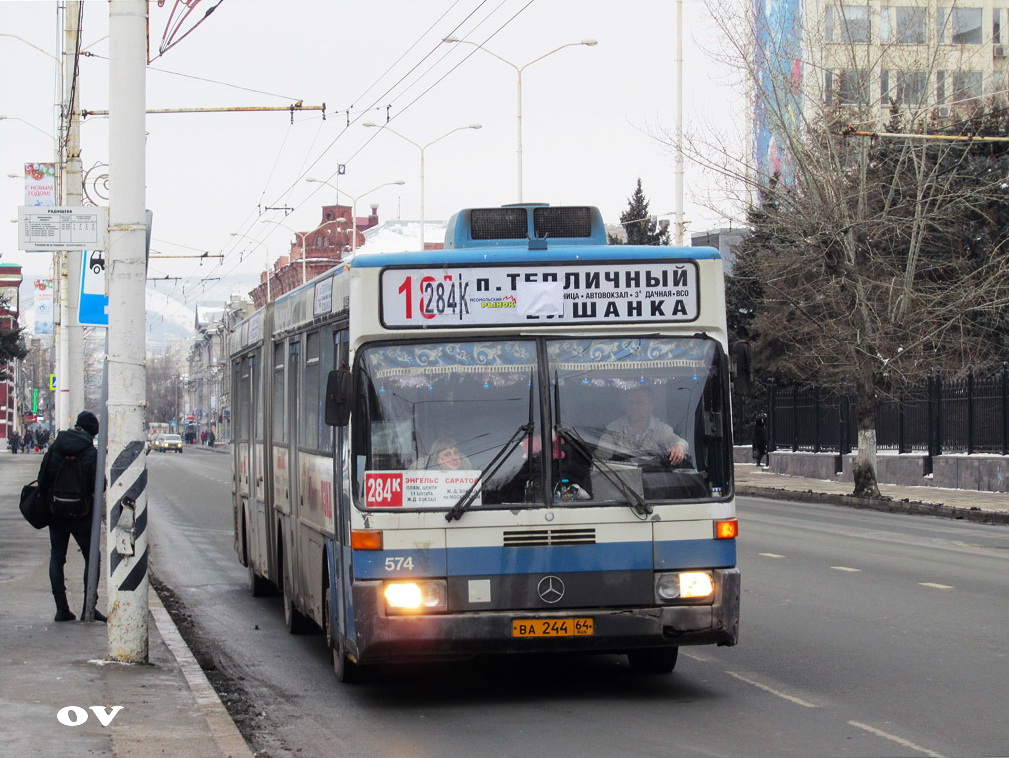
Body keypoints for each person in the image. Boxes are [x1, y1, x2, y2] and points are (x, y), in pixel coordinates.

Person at [37, 411, 105, 623]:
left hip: (56, 512)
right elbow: (100, 484)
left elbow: (42, 478)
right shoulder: (92, 453)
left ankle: (61, 609)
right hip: (82, 514)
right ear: (91, 432)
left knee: (57, 557)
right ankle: (89, 608)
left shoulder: (56, 447)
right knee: (92, 557)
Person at [598, 386, 689, 465]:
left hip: (654, 481)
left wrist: (678, 447)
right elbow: (600, 459)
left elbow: (679, 442)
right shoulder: (614, 428)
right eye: (631, 402)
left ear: (651, 406)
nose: (634, 407)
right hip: (621, 481)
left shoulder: (660, 429)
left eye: (640, 403)